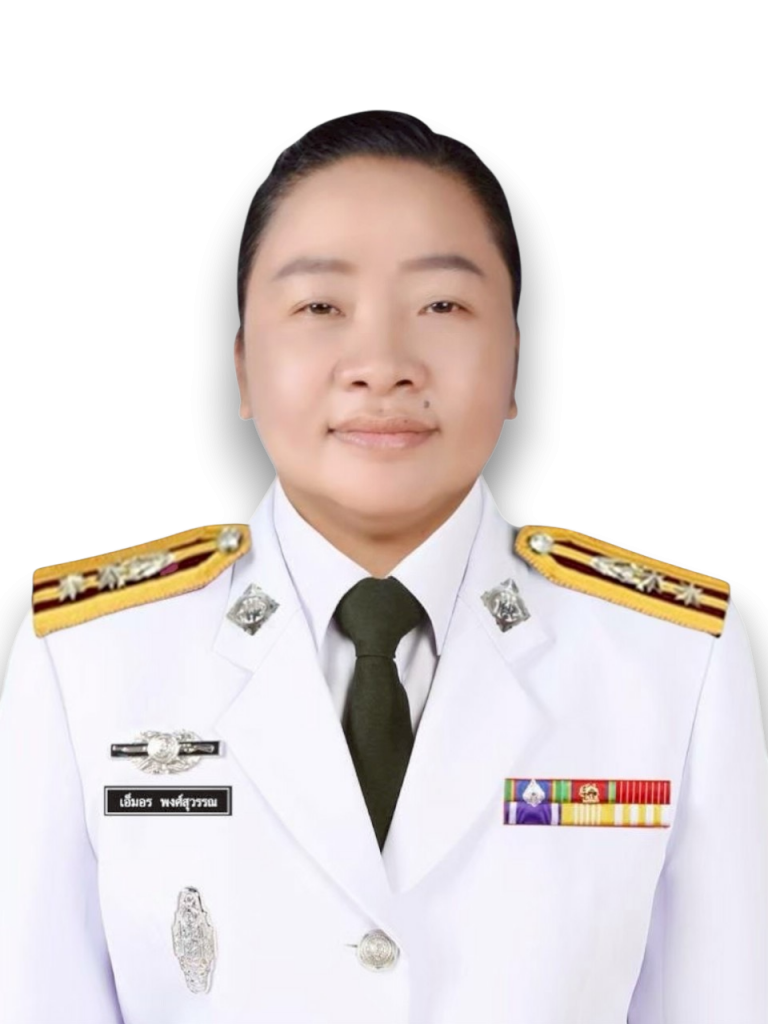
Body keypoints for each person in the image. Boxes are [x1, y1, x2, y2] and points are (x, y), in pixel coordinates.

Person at [0, 110, 765, 1024]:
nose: (382, 365)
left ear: (515, 362)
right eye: (320, 307)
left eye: (442, 306)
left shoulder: (670, 661)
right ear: (242, 367)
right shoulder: (87, 659)